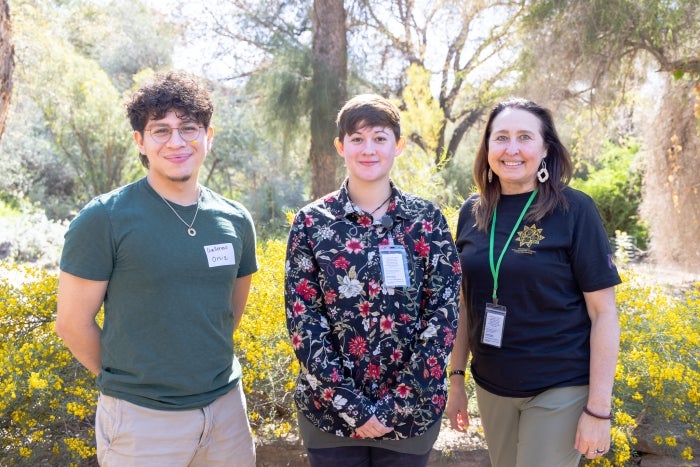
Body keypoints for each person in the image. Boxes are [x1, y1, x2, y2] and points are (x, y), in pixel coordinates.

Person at [55, 71, 258, 467]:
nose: (177, 141)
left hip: (226, 415)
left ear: (208, 136)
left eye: (188, 128)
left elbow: (227, 314)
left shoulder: (235, 219)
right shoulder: (105, 218)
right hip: (141, 422)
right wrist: (131, 380)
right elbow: (72, 323)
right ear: (140, 142)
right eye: (161, 130)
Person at [284, 94, 461, 467]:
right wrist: (352, 406)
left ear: (398, 146)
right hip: (328, 416)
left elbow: (443, 315)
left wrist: (397, 405)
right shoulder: (312, 222)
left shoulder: (426, 220)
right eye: (357, 138)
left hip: (413, 415)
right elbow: (304, 321)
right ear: (340, 146)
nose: (369, 149)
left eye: (380, 138)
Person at [445, 97, 621, 467]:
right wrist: (457, 379)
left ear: (545, 149)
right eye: (501, 137)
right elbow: (465, 303)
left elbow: (603, 313)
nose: (512, 149)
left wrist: (599, 411)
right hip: (492, 387)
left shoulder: (574, 211)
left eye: (525, 137)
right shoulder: (471, 212)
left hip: (560, 386)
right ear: (488, 148)